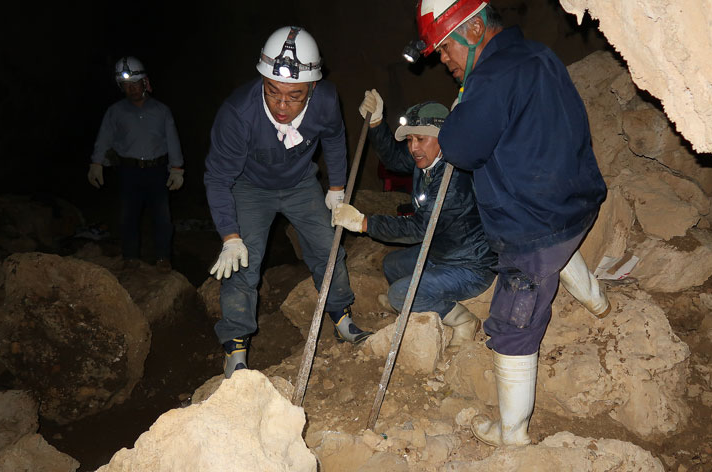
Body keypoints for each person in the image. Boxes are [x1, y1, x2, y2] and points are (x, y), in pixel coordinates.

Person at [410, 0, 608, 446]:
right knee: (558, 249)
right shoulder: (537, 54)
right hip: (575, 203)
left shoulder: (491, 78)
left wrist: (462, 104)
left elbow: (459, 149)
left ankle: (511, 434)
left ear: (475, 30)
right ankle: (597, 300)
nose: (444, 61)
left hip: (534, 227)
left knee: (513, 323)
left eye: (445, 49)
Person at [204, 26, 372, 379]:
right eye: (272, 91)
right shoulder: (238, 114)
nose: (282, 105)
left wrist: (337, 187)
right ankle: (235, 346)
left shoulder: (325, 101)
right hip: (250, 187)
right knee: (242, 263)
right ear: (262, 80)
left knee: (329, 248)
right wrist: (229, 235)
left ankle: (341, 316)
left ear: (311, 87)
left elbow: (335, 137)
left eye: (294, 95)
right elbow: (218, 177)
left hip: (300, 184)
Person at [332, 93, 496, 346]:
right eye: (409, 139)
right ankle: (411, 301)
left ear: (443, 137)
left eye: (420, 138)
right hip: (443, 251)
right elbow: (394, 159)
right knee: (392, 265)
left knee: (400, 292)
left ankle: (463, 320)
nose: (413, 147)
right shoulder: (429, 159)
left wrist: (365, 223)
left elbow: (419, 229)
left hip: (470, 267)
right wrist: (376, 123)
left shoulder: (453, 180)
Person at [88, 56, 184, 272]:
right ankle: (130, 258)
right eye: (126, 85)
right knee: (128, 217)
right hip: (128, 171)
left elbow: (172, 140)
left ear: (145, 83)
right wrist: (97, 163)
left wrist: (176, 168)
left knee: (162, 218)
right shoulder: (115, 112)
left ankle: (163, 259)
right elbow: (104, 138)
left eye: (135, 83)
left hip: (157, 171)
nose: (131, 89)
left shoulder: (162, 111)